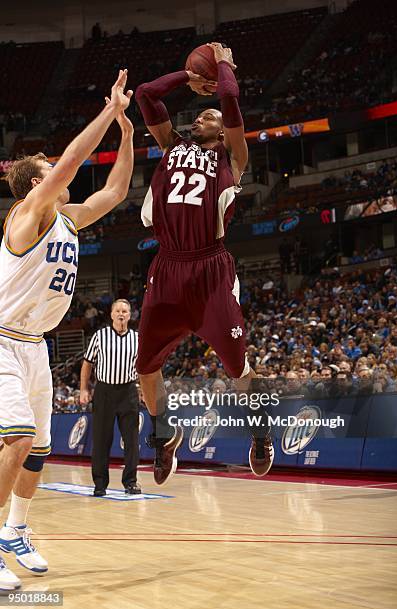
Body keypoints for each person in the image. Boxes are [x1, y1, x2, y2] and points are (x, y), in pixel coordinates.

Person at [0, 69, 133, 591]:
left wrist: (124, 132)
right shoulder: (26, 214)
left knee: (37, 451)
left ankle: (16, 531)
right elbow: (76, 158)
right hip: (2, 340)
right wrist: (106, 109)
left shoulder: (69, 218)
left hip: (36, 346)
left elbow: (118, 190)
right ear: (37, 183)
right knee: (15, 442)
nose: (59, 169)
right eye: (49, 168)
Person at [135, 42, 273, 486]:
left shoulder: (234, 157)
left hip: (210, 270)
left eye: (207, 116)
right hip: (169, 267)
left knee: (236, 368)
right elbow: (145, 94)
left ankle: (260, 432)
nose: (200, 117)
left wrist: (226, 66)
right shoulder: (170, 144)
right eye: (199, 113)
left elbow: (230, 101)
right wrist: (187, 77)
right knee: (146, 367)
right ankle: (163, 437)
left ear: (222, 131)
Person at [80, 299, 141, 497]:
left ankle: (130, 482)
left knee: (131, 440)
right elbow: (87, 363)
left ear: (130, 315)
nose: (121, 314)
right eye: (118, 310)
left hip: (129, 391)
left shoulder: (137, 338)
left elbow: (144, 369)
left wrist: (145, 392)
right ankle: (100, 484)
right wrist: (83, 389)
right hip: (104, 391)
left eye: (125, 310)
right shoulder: (100, 336)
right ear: (112, 314)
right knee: (101, 440)